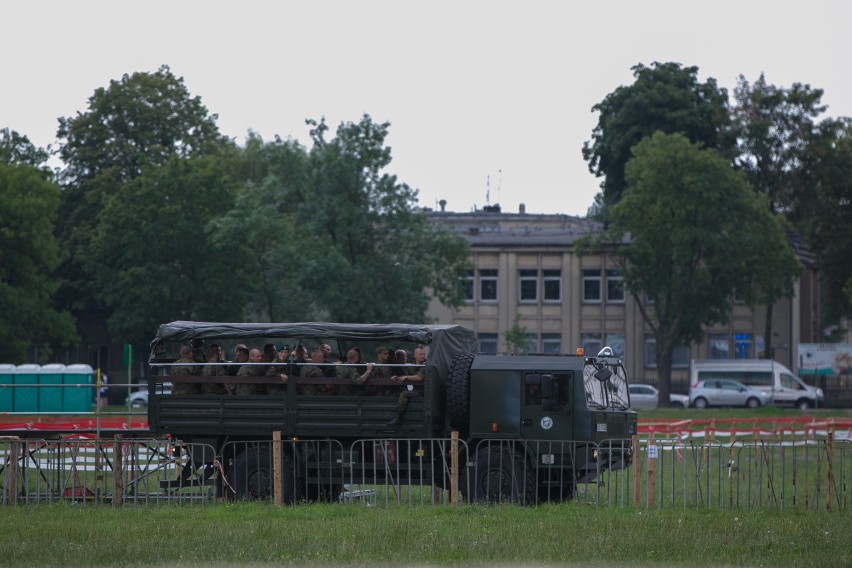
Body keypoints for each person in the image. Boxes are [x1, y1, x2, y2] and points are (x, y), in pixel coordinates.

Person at [386, 345, 427, 426]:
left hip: (423, 391)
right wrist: (396, 377)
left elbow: (419, 377)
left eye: (423, 354)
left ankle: (399, 417)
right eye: (420, 354)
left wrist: (406, 377)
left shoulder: (425, 366)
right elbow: (404, 375)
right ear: (415, 355)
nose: (423, 356)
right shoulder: (412, 366)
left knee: (404, 394)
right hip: (414, 390)